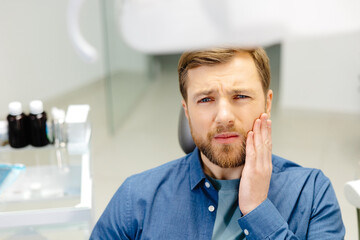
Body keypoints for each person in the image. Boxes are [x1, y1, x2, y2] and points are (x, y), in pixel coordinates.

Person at [90, 48, 345, 239]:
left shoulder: (312, 195)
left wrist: (258, 210)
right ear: (187, 111)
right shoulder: (135, 200)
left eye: (241, 96)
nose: (223, 116)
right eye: (205, 100)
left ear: (267, 103)